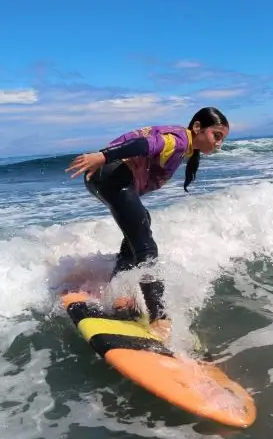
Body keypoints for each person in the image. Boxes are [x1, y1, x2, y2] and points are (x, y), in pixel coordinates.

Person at [65, 106, 230, 339]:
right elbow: (143, 145)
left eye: (222, 138)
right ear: (197, 128)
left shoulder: (186, 146)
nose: (219, 143)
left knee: (140, 227)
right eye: (217, 135)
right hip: (113, 174)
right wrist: (101, 156)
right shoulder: (180, 140)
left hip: (111, 176)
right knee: (147, 248)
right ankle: (159, 316)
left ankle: (119, 292)